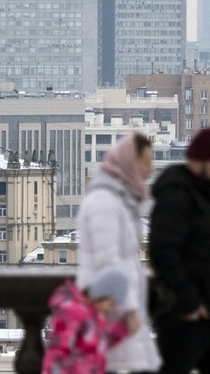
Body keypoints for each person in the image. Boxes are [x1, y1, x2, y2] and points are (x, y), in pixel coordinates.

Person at [149, 129, 210, 374]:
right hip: (187, 319)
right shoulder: (177, 195)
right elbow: (162, 251)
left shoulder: (207, 195)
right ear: (198, 162)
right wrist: (188, 302)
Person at [76, 133, 161, 374]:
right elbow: (107, 263)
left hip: (121, 315)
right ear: (129, 163)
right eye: (145, 161)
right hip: (113, 317)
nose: (149, 169)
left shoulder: (118, 199)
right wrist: (130, 312)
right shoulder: (104, 201)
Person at [44, 267, 139, 374]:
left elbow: (102, 342)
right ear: (100, 294)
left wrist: (123, 327)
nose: (109, 308)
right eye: (110, 303)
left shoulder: (96, 318)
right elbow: (58, 348)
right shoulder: (72, 312)